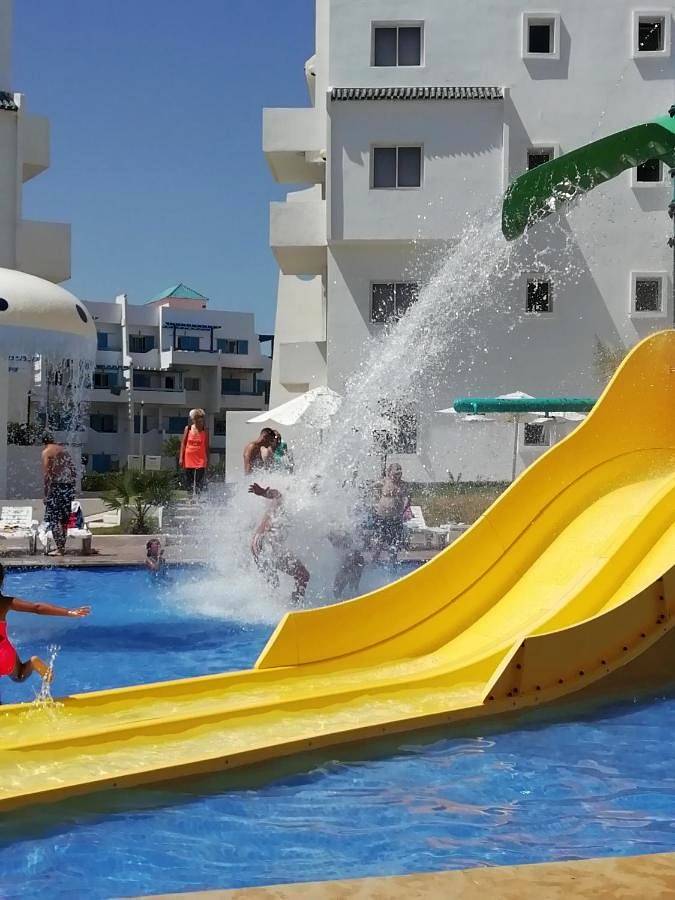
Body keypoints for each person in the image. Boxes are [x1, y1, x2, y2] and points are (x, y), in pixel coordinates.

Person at [0, 563, 90, 683]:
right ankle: (32, 663)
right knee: (20, 674)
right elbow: (37, 607)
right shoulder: (5, 602)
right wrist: (69, 611)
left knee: (18, 678)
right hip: (4, 654)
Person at [248, 482, 309, 605]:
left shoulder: (302, 509)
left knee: (273, 585)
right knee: (303, 575)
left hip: (257, 543)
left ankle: (271, 608)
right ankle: (295, 606)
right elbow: (277, 495)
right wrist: (264, 493)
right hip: (265, 542)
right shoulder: (288, 500)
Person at [42, 435, 77, 556]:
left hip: (56, 487)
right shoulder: (63, 451)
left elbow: (47, 474)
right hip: (67, 487)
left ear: (44, 442)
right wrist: (72, 486)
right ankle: (62, 548)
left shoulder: (47, 452)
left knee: (53, 519)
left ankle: (59, 548)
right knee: (64, 519)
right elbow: (73, 470)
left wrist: (46, 493)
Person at [371, 463, 411, 564]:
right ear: (389, 472)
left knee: (395, 543)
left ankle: (393, 564)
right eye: (396, 471)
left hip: (395, 517)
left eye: (400, 472)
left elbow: (407, 498)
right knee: (379, 541)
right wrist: (374, 500)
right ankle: (374, 562)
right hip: (382, 516)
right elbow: (372, 487)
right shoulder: (384, 482)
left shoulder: (403, 485)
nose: (399, 474)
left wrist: (404, 509)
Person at [179, 409, 209, 496]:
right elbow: (183, 444)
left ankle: (198, 497)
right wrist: (181, 457)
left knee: (199, 479)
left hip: (201, 458)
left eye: (201, 419)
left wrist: (208, 459)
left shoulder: (205, 430)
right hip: (189, 457)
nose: (199, 422)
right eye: (197, 420)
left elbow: (207, 446)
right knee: (189, 479)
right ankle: (190, 497)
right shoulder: (188, 429)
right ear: (193, 420)